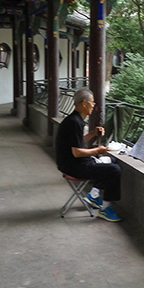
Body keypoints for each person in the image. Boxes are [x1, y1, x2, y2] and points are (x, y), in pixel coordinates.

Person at [56, 87, 121, 222]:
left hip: (71, 163)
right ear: (85, 103)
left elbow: (77, 143)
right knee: (114, 170)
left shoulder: (74, 120)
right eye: (92, 102)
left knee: (111, 161)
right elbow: (77, 152)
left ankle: (94, 195)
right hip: (73, 166)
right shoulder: (74, 123)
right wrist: (97, 150)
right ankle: (106, 209)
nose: (94, 105)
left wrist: (92, 133)